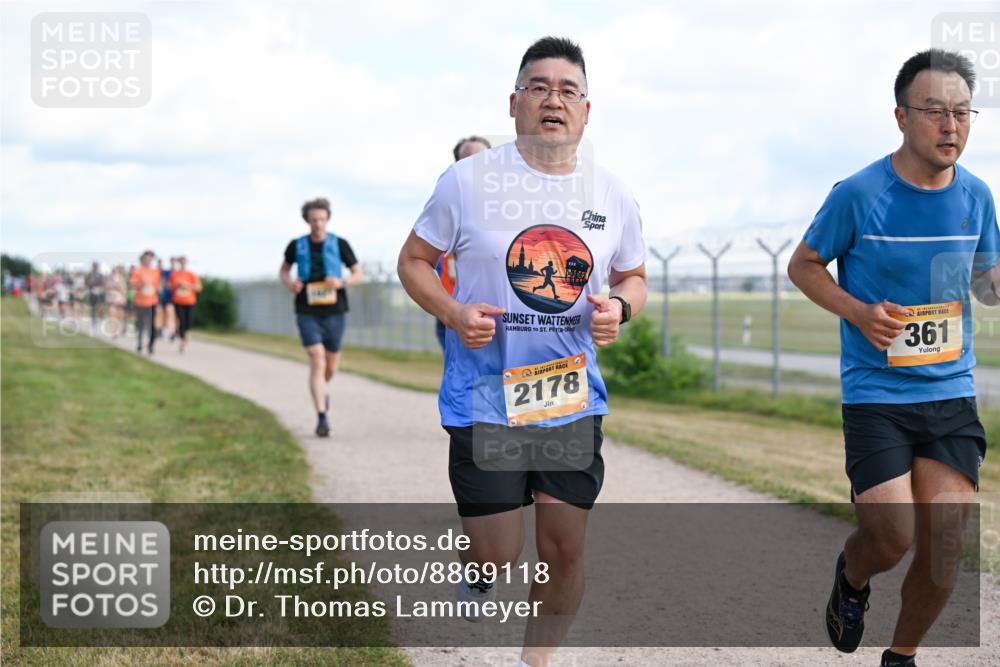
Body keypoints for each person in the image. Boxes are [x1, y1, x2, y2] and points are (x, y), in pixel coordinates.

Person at [397, 36, 646, 667]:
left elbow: (633, 277)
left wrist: (620, 308)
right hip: (486, 395)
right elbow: (414, 261)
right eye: (539, 88)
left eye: (568, 90)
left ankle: (535, 662)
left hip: (567, 394)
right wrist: (453, 313)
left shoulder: (611, 194)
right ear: (514, 104)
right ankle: (478, 568)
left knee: (563, 550)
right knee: (498, 552)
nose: (553, 100)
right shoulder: (466, 182)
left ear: (587, 109)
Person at [788, 49, 999, 667]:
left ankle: (900, 656)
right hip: (877, 395)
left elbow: (985, 283)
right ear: (902, 116)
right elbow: (804, 265)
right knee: (891, 536)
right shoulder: (859, 194)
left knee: (945, 544)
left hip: (950, 392)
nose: (950, 125)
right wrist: (858, 312)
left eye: (962, 112)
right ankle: (853, 577)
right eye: (934, 111)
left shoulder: (977, 196)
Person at [279, 198, 364, 437]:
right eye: (314, 220)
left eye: (322, 219)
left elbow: (358, 274)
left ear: (327, 220)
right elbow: (284, 271)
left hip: (335, 310)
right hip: (306, 310)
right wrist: (290, 283)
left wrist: (341, 282)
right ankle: (322, 417)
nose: (318, 224)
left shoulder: (340, 244)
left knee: (331, 364)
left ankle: (321, 390)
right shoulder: (296, 245)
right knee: (317, 358)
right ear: (307, 220)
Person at [434, 135, 493, 350]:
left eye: (483, 160)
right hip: (454, 312)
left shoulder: (510, 208)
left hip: (496, 314)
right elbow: (416, 261)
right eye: (468, 161)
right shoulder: (445, 206)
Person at [129, 251, 161, 354]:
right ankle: (140, 342)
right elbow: (132, 284)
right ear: (143, 259)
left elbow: (158, 286)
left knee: (152, 324)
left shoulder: (155, 271)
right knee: (141, 324)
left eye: (151, 258)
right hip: (140, 301)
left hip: (152, 301)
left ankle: (151, 345)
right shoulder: (137, 270)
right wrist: (142, 284)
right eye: (147, 258)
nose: (149, 260)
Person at [169, 256, 202, 353]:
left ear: (186, 262)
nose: (182, 263)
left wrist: (187, 284)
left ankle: (185, 335)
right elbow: (170, 287)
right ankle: (182, 340)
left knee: (189, 321)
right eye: (181, 261)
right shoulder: (174, 274)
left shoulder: (191, 274)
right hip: (178, 301)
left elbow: (199, 288)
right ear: (179, 263)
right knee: (181, 320)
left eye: (184, 261)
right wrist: (177, 284)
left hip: (190, 301)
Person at [84, 261, 106, 328]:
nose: (95, 267)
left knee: (101, 307)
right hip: (92, 293)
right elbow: (86, 284)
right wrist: (89, 285)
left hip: (100, 293)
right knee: (93, 308)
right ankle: (93, 321)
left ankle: (100, 320)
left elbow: (104, 284)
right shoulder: (89, 275)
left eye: (96, 266)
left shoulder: (101, 275)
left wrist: (101, 288)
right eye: (94, 266)